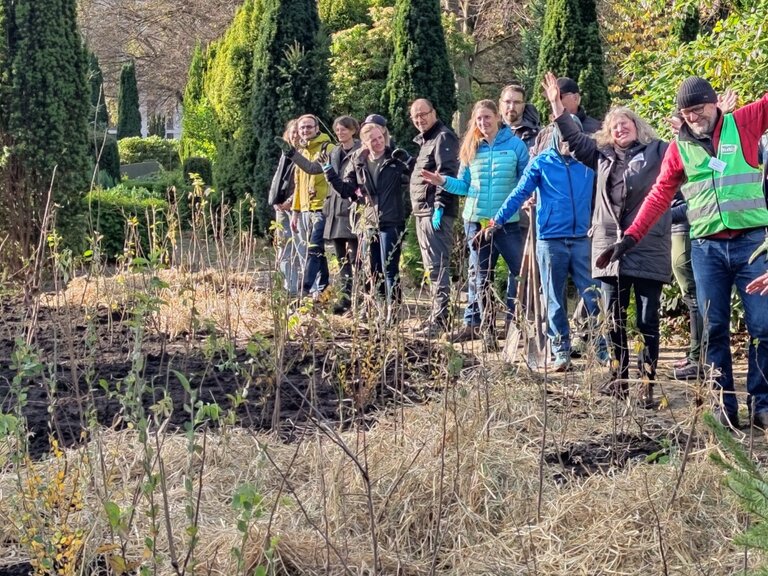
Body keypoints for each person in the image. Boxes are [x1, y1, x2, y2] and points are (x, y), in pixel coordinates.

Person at [597, 76, 768, 428]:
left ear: (715, 102)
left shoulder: (745, 122)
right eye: (686, 112)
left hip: (752, 244)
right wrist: (629, 238)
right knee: (714, 328)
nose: (693, 117)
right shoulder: (678, 149)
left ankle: (762, 403)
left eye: (699, 109)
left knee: (763, 326)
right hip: (706, 250)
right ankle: (724, 405)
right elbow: (659, 196)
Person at [543, 71, 672, 407]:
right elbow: (572, 135)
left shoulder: (659, 151)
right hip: (608, 252)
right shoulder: (601, 156)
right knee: (612, 319)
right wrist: (557, 105)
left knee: (646, 320)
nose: (619, 128)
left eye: (625, 123)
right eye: (614, 125)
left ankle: (646, 383)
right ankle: (618, 379)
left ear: (638, 126)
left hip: (648, 246)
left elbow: (685, 162)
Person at [485, 120, 608, 370]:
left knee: (593, 295)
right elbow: (519, 192)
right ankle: (560, 351)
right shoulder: (542, 162)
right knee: (553, 298)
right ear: (553, 136)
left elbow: (605, 191)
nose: (565, 142)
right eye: (560, 137)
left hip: (582, 238)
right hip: (551, 240)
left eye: (569, 137)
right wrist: (497, 219)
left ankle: (601, 347)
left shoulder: (587, 163)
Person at [422, 99, 528, 350]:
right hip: (476, 222)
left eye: (487, 117)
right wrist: (443, 182)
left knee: (520, 274)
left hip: (507, 222)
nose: (483, 123)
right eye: (479, 119)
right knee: (482, 278)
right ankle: (487, 331)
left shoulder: (516, 146)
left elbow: (525, 181)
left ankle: (516, 325)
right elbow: (464, 186)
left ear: (497, 118)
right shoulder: (471, 147)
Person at [325, 122, 410, 321]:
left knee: (390, 268)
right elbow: (347, 190)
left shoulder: (395, 158)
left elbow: (413, 176)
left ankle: (394, 312)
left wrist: (409, 161)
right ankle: (379, 310)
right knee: (374, 270)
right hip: (369, 222)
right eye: (373, 139)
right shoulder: (358, 161)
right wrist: (329, 173)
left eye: (380, 137)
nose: (378, 142)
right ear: (364, 142)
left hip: (391, 220)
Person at [286, 116, 362, 314]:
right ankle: (337, 296)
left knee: (356, 259)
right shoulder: (332, 151)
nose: (341, 132)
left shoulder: (342, 150)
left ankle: (309, 290)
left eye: (345, 129)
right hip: (332, 209)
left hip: (348, 210)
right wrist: (295, 210)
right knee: (340, 258)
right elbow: (308, 174)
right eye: (338, 129)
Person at [409, 98, 461, 337]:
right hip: (422, 211)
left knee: (438, 267)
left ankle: (441, 320)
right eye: (416, 116)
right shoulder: (426, 140)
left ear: (434, 112)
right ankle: (436, 315)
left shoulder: (443, 137)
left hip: (434, 212)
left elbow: (446, 172)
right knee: (432, 267)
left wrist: (439, 205)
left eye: (424, 114)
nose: (420, 119)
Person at [289, 114, 333, 299]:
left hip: (321, 207)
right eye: (302, 128)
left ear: (317, 128)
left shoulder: (327, 148)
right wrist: (295, 211)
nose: (306, 130)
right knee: (319, 252)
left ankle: (304, 288)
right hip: (305, 208)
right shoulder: (302, 151)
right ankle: (324, 291)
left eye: (309, 127)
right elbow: (298, 184)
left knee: (313, 248)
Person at [269, 119, 302, 295]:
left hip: (298, 209)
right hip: (281, 209)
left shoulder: (304, 155)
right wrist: (275, 200)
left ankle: (305, 289)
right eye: (293, 131)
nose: (295, 135)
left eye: (298, 131)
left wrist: (290, 200)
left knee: (301, 248)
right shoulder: (285, 155)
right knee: (284, 249)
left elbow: (302, 184)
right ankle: (289, 289)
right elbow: (277, 181)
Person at [499, 84, 541, 149]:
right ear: (500, 103)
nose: (512, 107)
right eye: (507, 102)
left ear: (523, 105)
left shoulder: (538, 135)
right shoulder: (489, 133)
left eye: (517, 102)